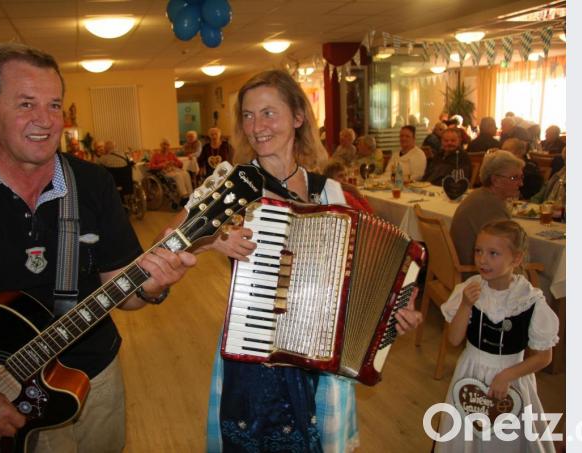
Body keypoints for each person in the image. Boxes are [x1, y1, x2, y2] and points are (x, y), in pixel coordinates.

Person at [0, 43, 197, 452]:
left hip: (93, 378)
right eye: (26, 104)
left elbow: (127, 296)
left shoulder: (94, 184)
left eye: (54, 105)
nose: (46, 121)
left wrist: (153, 286)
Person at [175, 69, 423, 452]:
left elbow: (381, 269)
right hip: (256, 352)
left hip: (322, 358)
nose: (256, 126)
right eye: (248, 115)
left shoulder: (334, 193)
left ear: (297, 117)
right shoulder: (233, 188)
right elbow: (166, 244)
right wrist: (213, 241)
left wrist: (397, 310)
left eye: (268, 113)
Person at [435, 220, 558, 452]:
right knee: (466, 434)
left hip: (511, 379)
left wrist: (507, 375)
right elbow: (453, 340)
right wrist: (465, 306)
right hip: (469, 373)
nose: (482, 259)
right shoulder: (469, 290)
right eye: (478, 251)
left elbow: (544, 357)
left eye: (493, 253)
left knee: (506, 437)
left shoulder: (530, 301)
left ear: (517, 258)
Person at [450, 150, 524, 268]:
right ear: (495, 180)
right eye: (514, 178)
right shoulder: (491, 206)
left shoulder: (480, 195)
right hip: (476, 273)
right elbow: (502, 251)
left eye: (521, 177)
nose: (521, 183)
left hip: (464, 266)